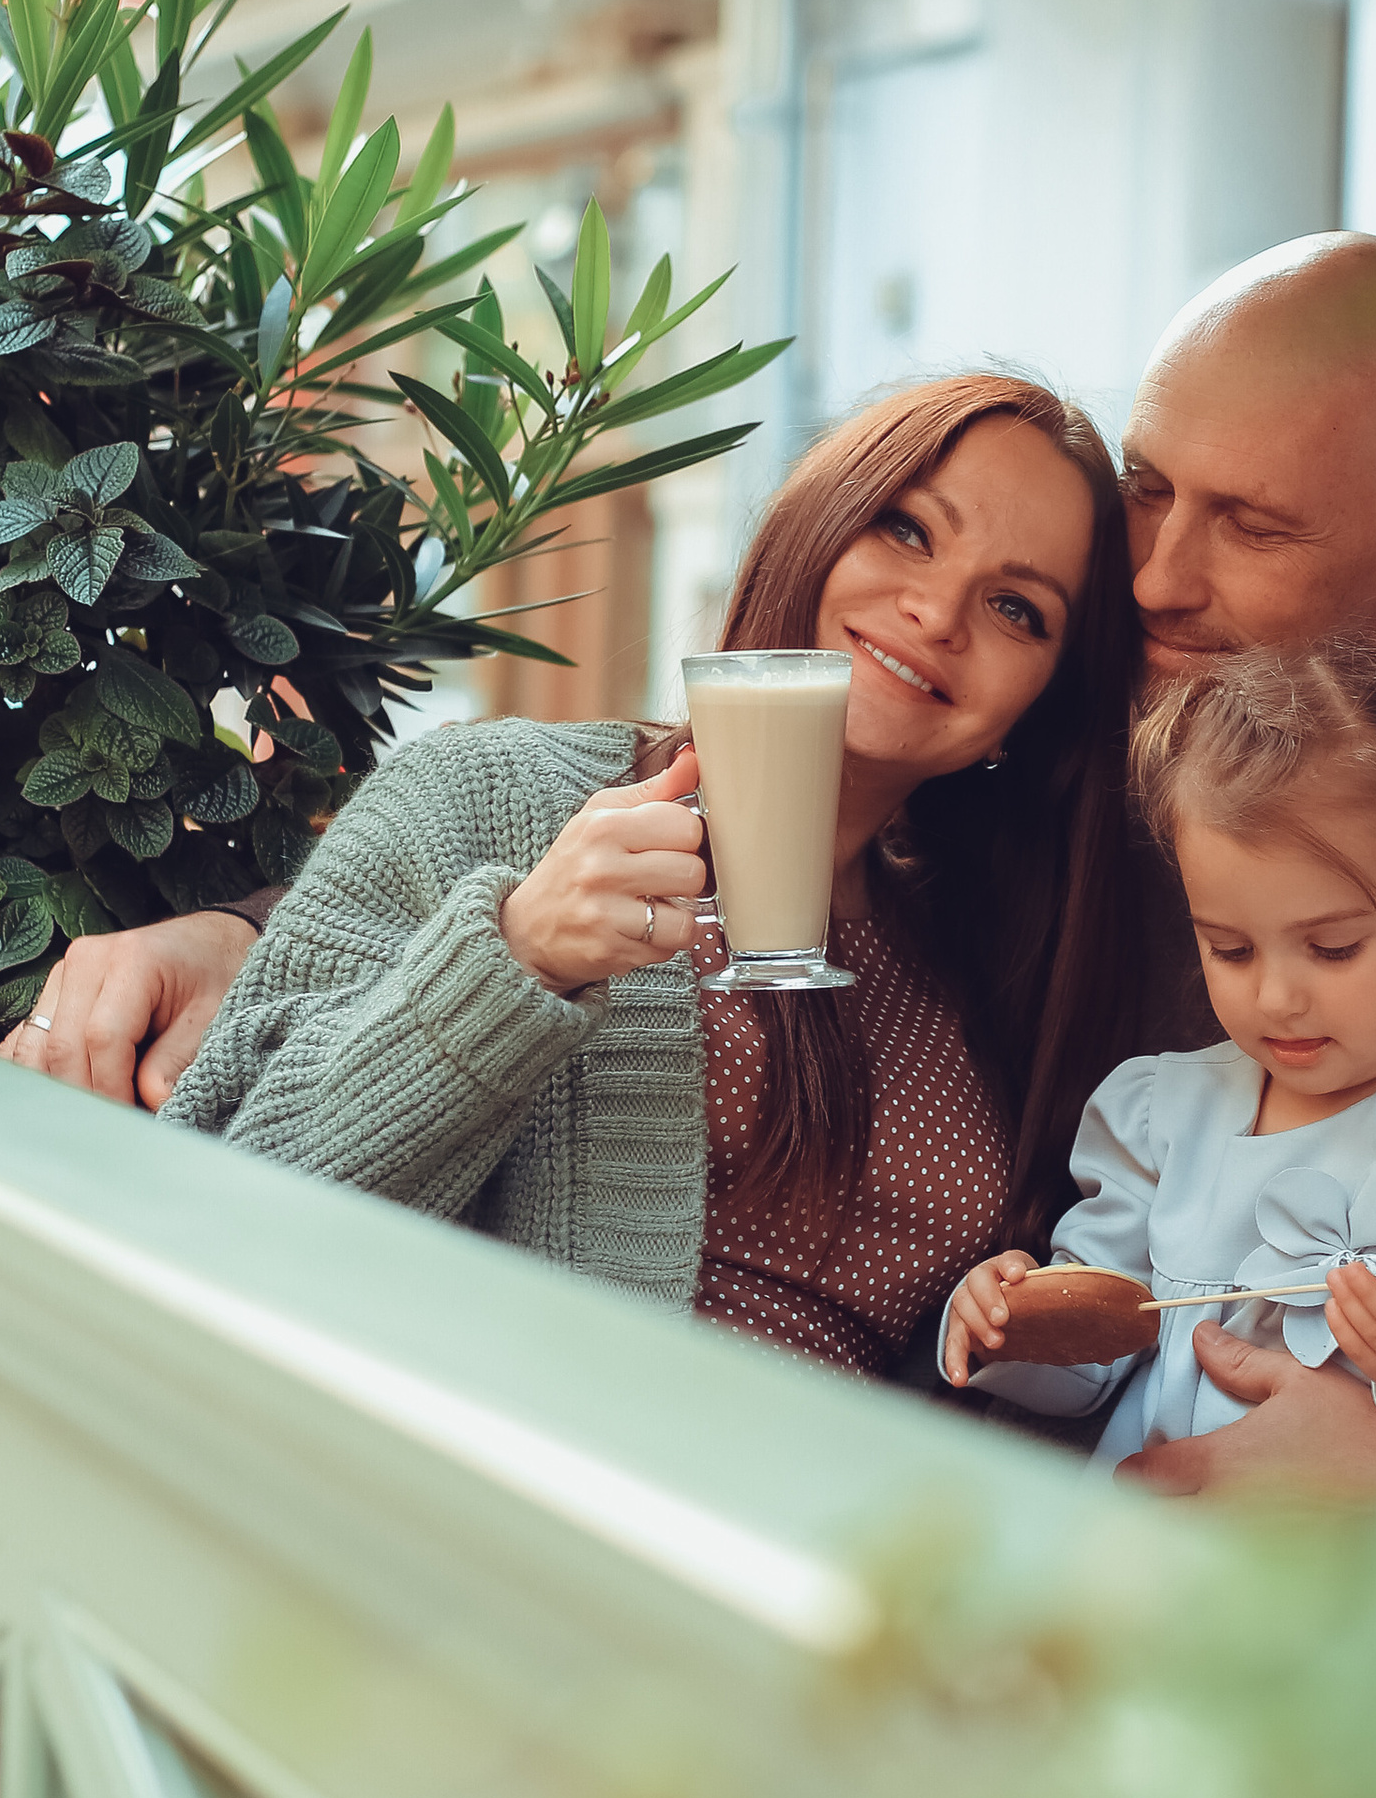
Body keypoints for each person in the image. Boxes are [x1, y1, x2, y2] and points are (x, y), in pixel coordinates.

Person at [10, 232, 1376, 1497]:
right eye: (1152, 495)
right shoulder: (1041, 777)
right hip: (749, 1581)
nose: (1166, 579)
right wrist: (236, 930)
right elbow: (708, 781)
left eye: (1252, 528)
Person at [151, 374, 1139, 1378]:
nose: (936, 611)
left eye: (1018, 608)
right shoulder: (489, 795)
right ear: (815, 522)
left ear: (1038, 711)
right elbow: (222, 1208)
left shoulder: (993, 966)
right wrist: (520, 957)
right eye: (906, 530)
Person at [944, 641, 1376, 1465]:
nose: (1275, 998)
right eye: (1231, 950)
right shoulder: (1159, 1114)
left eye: (1334, 947)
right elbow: (1093, 1365)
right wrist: (1008, 1326)